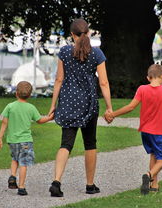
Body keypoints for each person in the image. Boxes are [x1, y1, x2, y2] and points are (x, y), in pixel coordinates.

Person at [47, 18, 112, 197]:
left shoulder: (65, 51)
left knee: (65, 143)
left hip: (68, 103)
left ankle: (56, 181)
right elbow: (104, 82)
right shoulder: (97, 53)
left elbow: (59, 79)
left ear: (71, 35)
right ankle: (90, 185)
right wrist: (109, 107)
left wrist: (53, 105)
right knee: (90, 143)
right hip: (89, 104)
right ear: (88, 33)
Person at [105, 64, 162, 195]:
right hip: (159, 132)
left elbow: (130, 107)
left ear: (148, 77)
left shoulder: (142, 89)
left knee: (153, 155)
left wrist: (112, 114)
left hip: (145, 131)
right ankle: (148, 175)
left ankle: (154, 185)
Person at [0, 81, 54, 196]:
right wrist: (50, 118)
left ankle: (12, 176)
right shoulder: (30, 108)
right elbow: (39, 120)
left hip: (12, 140)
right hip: (25, 141)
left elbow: (4, 123)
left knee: (14, 159)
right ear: (30, 95)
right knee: (23, 163)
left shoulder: (10, 106)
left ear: (16, 93)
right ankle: (21, 187)